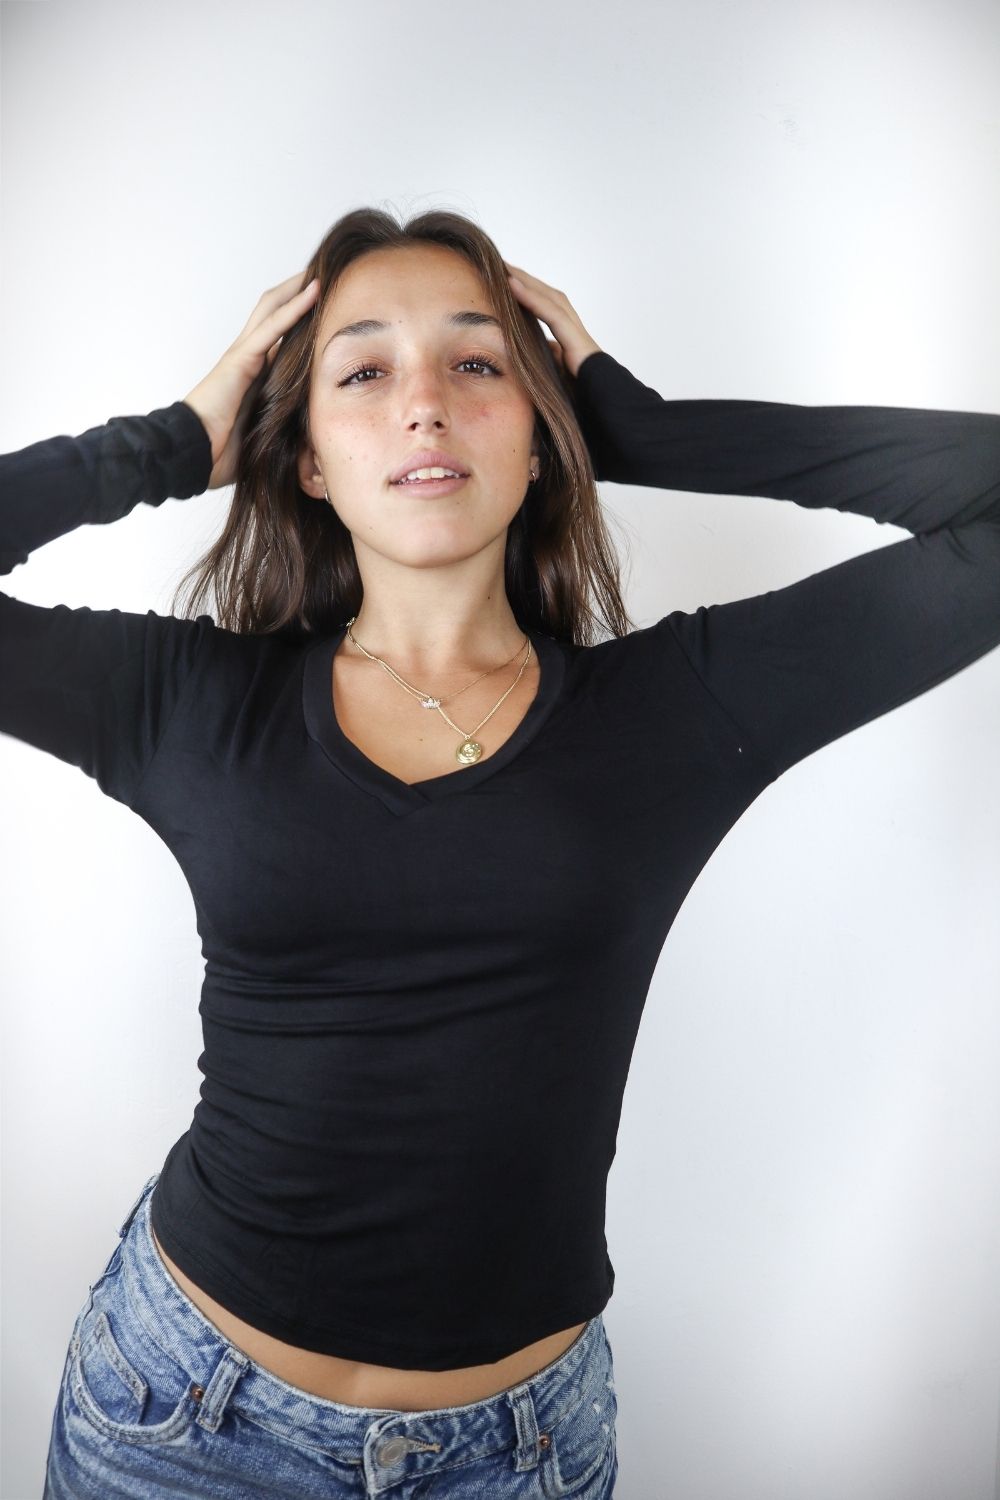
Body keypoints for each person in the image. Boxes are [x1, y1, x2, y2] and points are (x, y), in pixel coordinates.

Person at [1, 207, 995, 1498]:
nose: (424, 404)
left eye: (477, 364)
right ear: (306, 461)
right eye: (363, 372)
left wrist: (649, 430)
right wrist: (174, 442)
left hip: (517, 1454)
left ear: (538, 436)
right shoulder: (185, 700)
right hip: (181, 1415)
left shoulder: (683, 710)